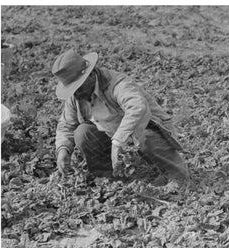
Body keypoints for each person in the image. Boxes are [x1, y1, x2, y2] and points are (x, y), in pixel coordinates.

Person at [52, 49, 189, 184]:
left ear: (91, 75)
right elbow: (66, 125)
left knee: (144, 138)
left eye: (79, 87)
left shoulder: (117, 83)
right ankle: (110, 178)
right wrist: (63, 150)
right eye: (73, 90)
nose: (76, 94)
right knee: (83, 133)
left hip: (146, 129)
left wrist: (118, 141)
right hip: (110, 133)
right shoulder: (77, 96)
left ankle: (178, 178)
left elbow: (137, 108)